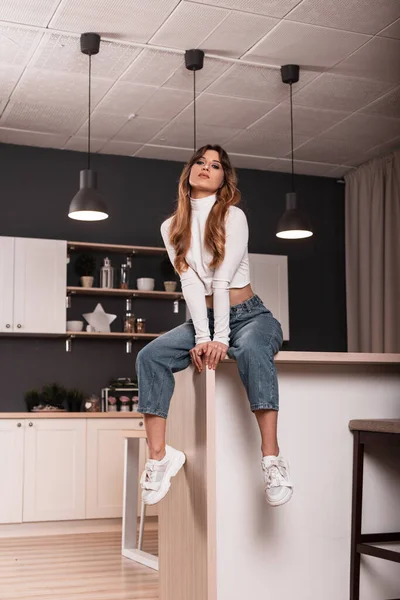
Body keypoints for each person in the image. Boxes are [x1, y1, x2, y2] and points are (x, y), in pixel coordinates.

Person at [136, 144, 293, 508]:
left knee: (253, 349)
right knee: (150, 356)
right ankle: (160, 457)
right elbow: (191, 284)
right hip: (202, 319)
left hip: (251, 316)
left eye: (216, 165)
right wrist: (204, 335)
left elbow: (221, 280)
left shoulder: (232, 216)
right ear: (189, 171)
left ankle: (272, 459)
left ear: (224, 178)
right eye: (200, 162)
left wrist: (218, 339)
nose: (206, 168)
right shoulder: (170, 226)